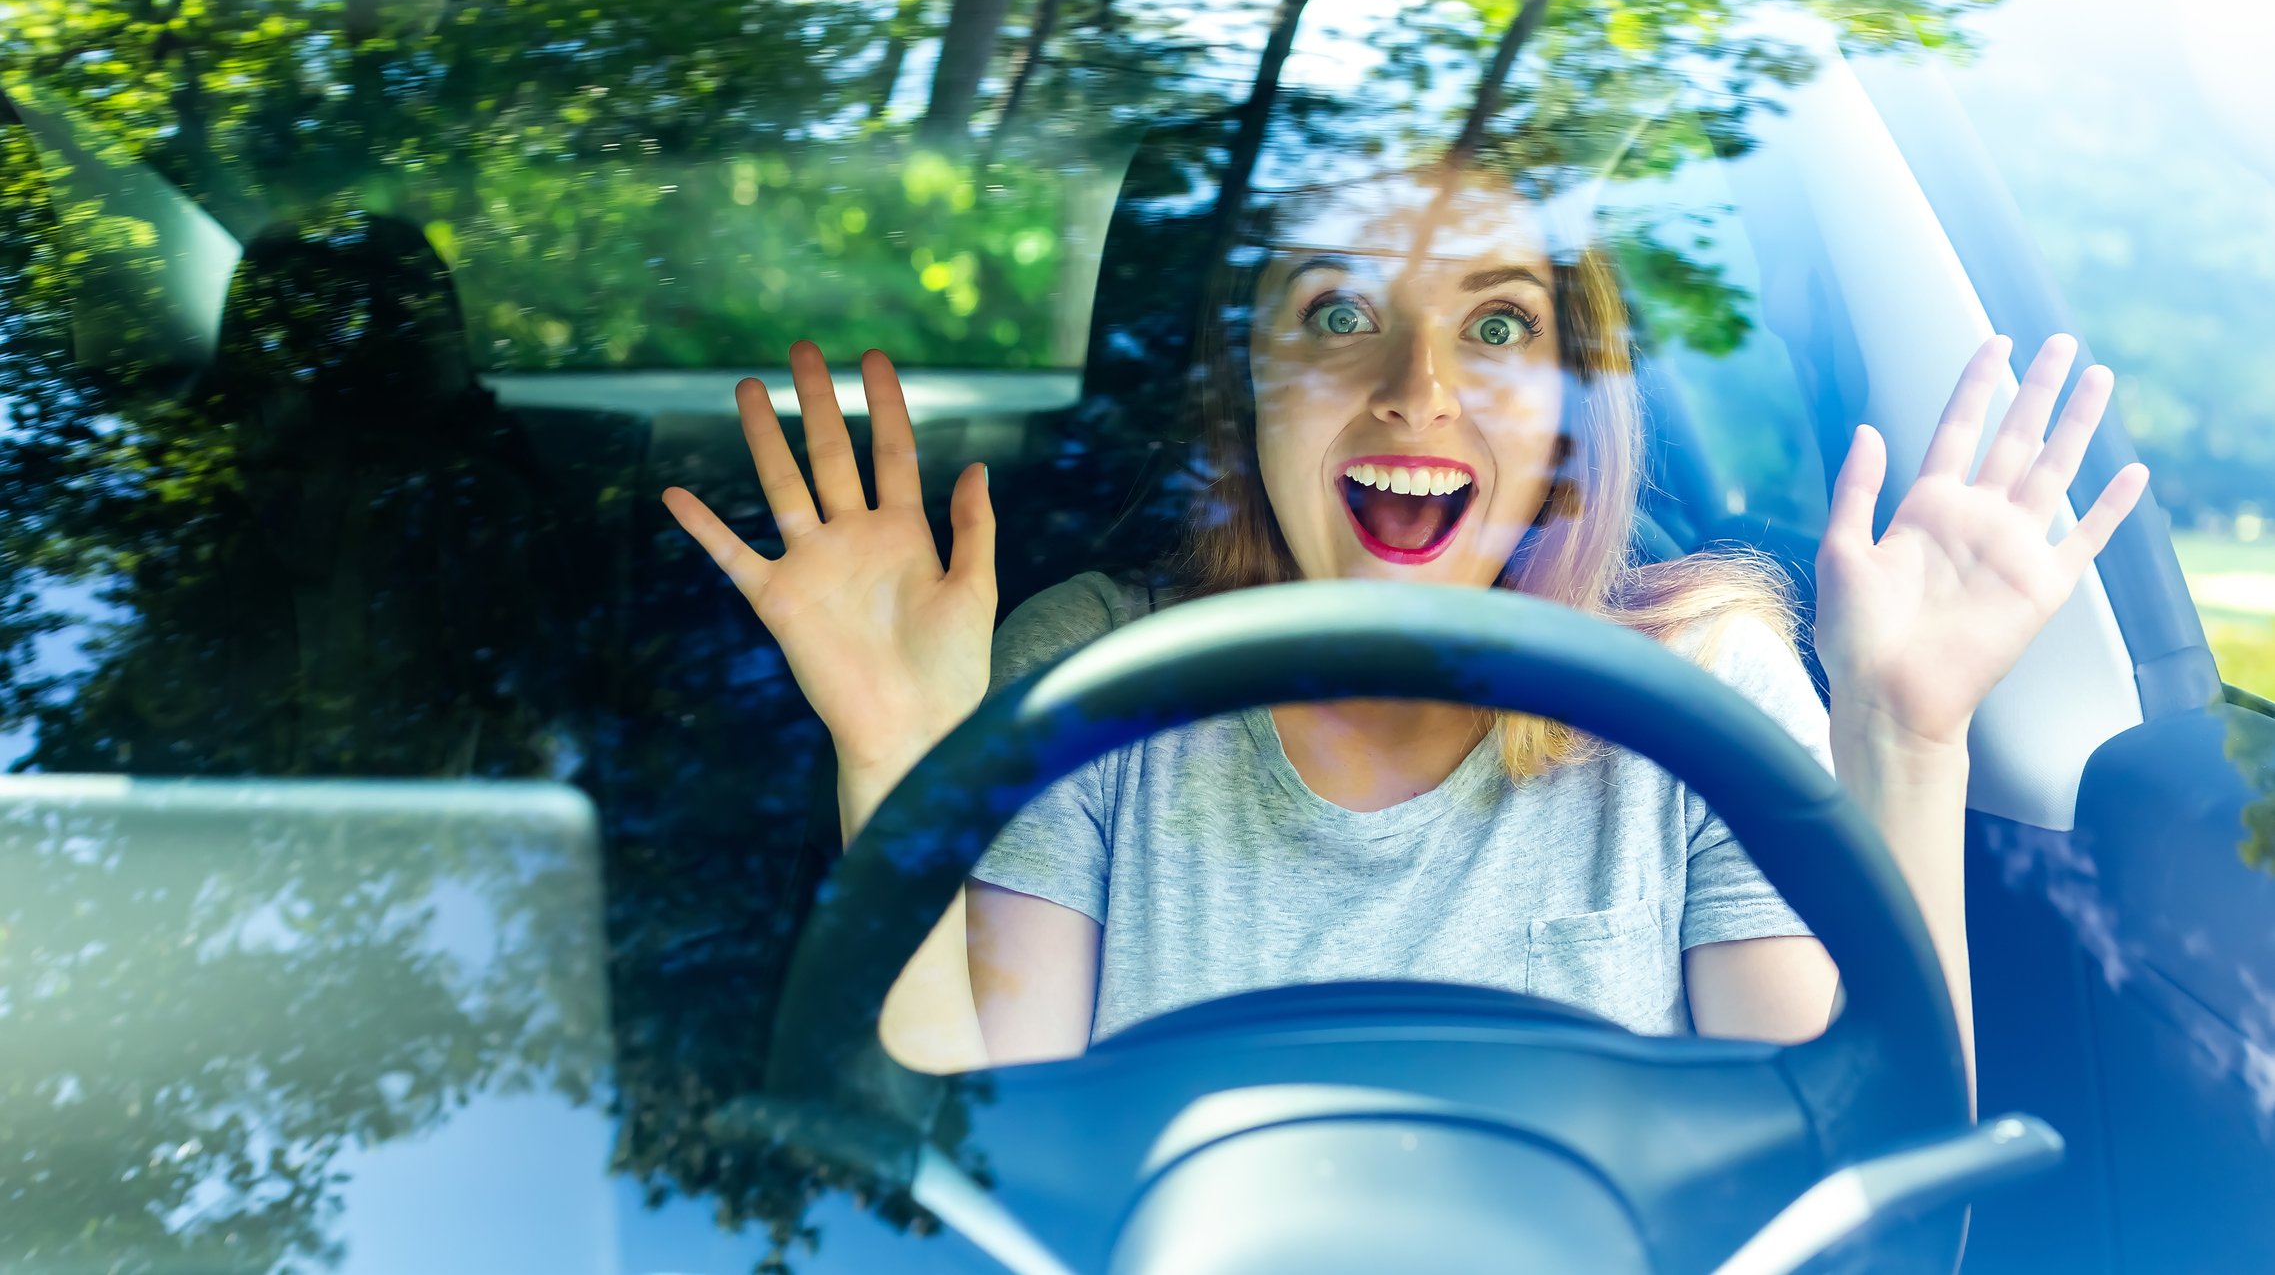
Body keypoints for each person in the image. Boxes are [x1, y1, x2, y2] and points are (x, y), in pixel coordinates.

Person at [660, 159, 2147, 1081]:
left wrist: (1908, 736)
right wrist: (899, 758)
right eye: (1336, 312)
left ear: (1574, 406)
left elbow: (1847, 1202)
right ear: (1244, 386)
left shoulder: (1712, 697)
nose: (1416, 387)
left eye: (1499, 324)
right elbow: (974, 1167)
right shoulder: (1087, 681)